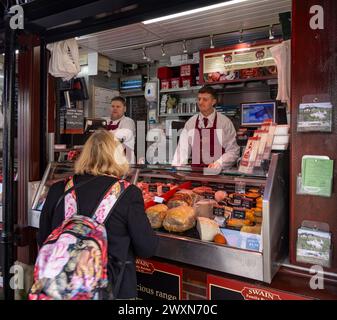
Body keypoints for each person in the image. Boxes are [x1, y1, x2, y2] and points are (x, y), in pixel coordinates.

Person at [37, 129, 158, 299]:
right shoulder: (128, 193)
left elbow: (43, 238)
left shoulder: (58, 189)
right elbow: (147, 247)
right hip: (114, 291)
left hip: (63, 289)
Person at [172, 86, 240, 169]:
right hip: (196, 173)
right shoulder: (190, 123)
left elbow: (233, 151)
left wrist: (219, 163)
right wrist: (177, 168)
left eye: (205, 99)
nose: (200, 102)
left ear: (213, 101)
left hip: (217, 174)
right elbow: (182, 150)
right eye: (199, 99)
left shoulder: (224, 122)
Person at [106, 96, 136, 162]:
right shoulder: (105, 121)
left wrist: (103, 135)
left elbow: (122, 136)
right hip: (109, 159)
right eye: (112, 106)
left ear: (124, 109)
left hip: (125, 160)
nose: (115, 109)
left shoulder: (128, 121)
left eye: (118, 107)